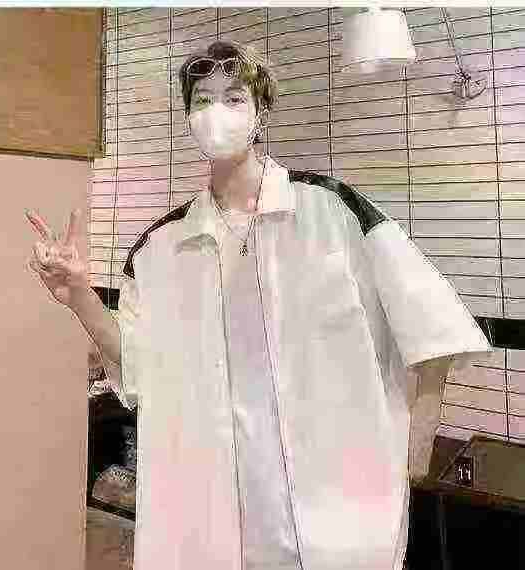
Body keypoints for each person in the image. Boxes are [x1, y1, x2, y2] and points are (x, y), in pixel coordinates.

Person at [27, 40, 492, 570]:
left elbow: (435, 324)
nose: (215, 113)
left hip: (336, 512)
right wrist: (78, 295)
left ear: (261, 112)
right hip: (215, 512)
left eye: (233, 97)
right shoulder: (159, 249)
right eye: (202, 100)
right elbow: (136, 370)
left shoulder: (333, 214)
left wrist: (415, 450)